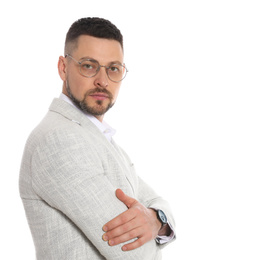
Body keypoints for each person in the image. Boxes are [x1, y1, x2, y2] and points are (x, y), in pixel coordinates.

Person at [19, 17, 175, 260]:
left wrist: (156, 219)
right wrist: (154, 225)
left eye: (113, 68)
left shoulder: (100, 140)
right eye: (89, 65)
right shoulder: (59, 140)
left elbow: (157, 201)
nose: (103, 81)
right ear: (63, 67)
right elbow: (133, 252)